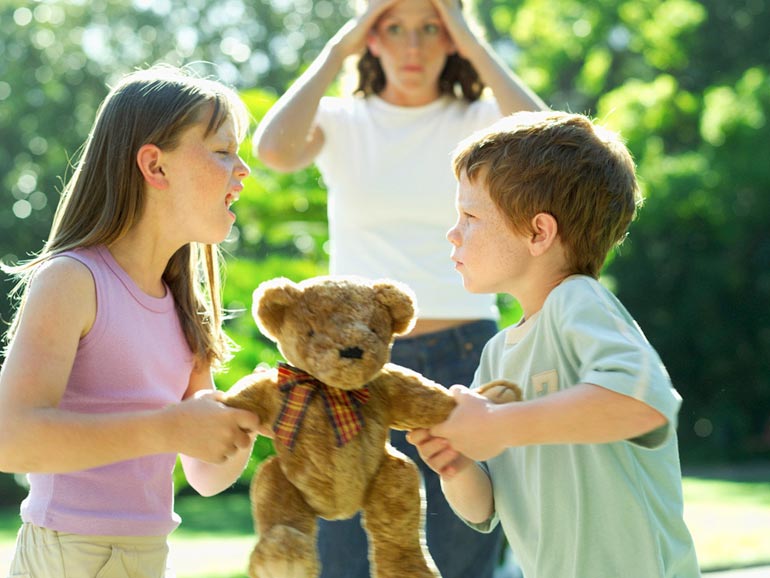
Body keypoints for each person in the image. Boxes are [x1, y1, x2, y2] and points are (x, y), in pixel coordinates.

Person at [253, 0, 546, 575]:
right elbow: (272, 149)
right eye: (394, 28)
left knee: (465, 553)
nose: (413, 47)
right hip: (350, 369)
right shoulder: (342, 120)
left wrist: (469, 34)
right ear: (372, 36)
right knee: (346, 557)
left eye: (431, 28)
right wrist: (340, 46)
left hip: (466, 354)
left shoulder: (481, 119)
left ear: (452, 36)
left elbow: (550, 145)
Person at [408, 110, 702, 578]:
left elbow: (643, 404)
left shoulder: (576, 299)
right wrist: (458, 464)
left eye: (469, 215)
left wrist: (499, 425)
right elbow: (485, 509)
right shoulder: (497, 353)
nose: (453, 232)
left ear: (538, 232)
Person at [0, 65, 262, 578]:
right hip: (66, 555)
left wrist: (250, 410)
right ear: (154, 166)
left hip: (147, 557)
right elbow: (12, 438)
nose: (243, 170)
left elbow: (207, 474)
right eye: (223, 150)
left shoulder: (186, 304)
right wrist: (167, 428)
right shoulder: (73, 280)